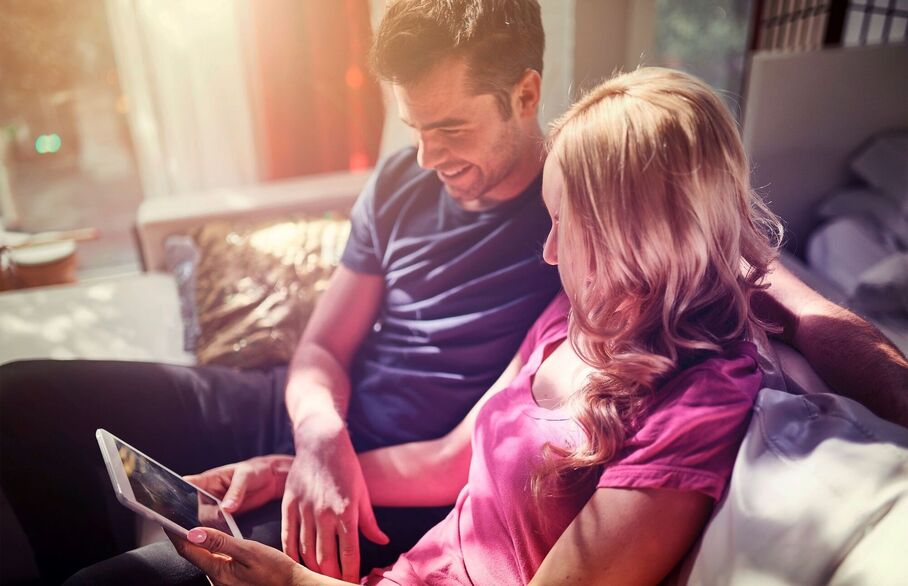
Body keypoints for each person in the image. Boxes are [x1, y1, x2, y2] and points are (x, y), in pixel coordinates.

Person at [1, 2, 906, 585]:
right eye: (413, 128)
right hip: (309, 421)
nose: (428, 157)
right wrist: (313, 444)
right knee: (21, 404)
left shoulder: (599, 195)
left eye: (449, 127)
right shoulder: (421, 191)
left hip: (391, 479)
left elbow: (783, 295)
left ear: (525, 95)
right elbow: (321, 352)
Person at [162, 66, 864, 586]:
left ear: (640, 235)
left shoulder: (697, 402)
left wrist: (294, 583)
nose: (549, 250)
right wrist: (293, 471)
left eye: (566, 225)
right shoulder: (574, 316)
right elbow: (447, 460)